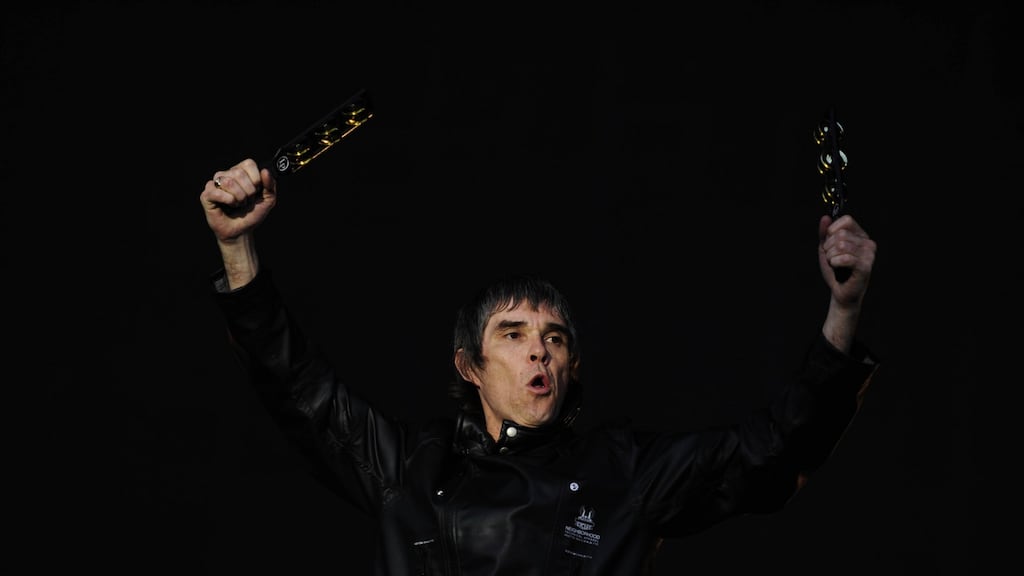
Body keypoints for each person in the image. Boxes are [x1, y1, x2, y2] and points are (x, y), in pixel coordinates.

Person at [200, 157, 879, 575]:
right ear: (469, 365)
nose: (538, 351)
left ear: (571, 364)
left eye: (554, 339)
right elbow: (296, 385)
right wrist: (237, 250)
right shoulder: (407, 467)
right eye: (514, 333)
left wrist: (842, 311)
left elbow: (769, 451)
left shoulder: (624, 474)